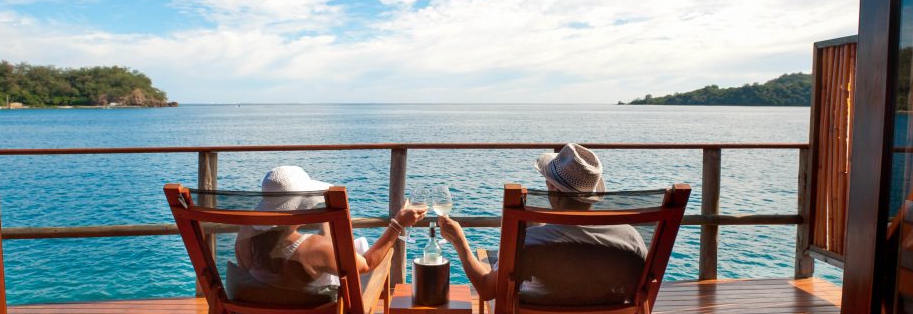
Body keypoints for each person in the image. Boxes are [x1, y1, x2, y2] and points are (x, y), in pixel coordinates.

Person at [438, 143, 649, 306]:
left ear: (554, 189)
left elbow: (487, 290)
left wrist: (459, 242)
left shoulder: (529, 242)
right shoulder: (631, 238)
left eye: (547, 182)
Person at [226, 166, 425, 304]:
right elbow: (366, 264)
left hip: (267, 304)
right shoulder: (315, 248)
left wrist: (326, 218)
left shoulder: (247, 235)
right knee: (380, 259)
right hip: (317, 308)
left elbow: (324, 251)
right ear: (304, 206)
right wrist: (398, 223)